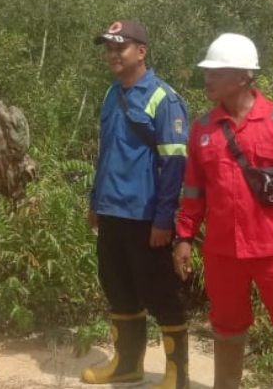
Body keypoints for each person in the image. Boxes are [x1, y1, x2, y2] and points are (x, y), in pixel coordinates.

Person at [174, 33, 273, 389]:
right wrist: (184, 237)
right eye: (207, 72)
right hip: (223, 252)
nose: (207, 78)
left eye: (216, 72)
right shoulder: (203, 129)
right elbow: (193, 192)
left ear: (243, 76)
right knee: (226, 327)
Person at [84, 20, 190, 389]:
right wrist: (95, 201)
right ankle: (127, 365)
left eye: (121, 47)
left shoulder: (164, 98)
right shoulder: (112, 94)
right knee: (117, 288)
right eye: (109, 48)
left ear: (141, 52)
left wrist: (164, 219)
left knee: (159, 291)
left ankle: (177, 374)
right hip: (112, 212)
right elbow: (106, 154)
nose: (113, 54)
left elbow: (175, 163)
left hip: (145, 216)